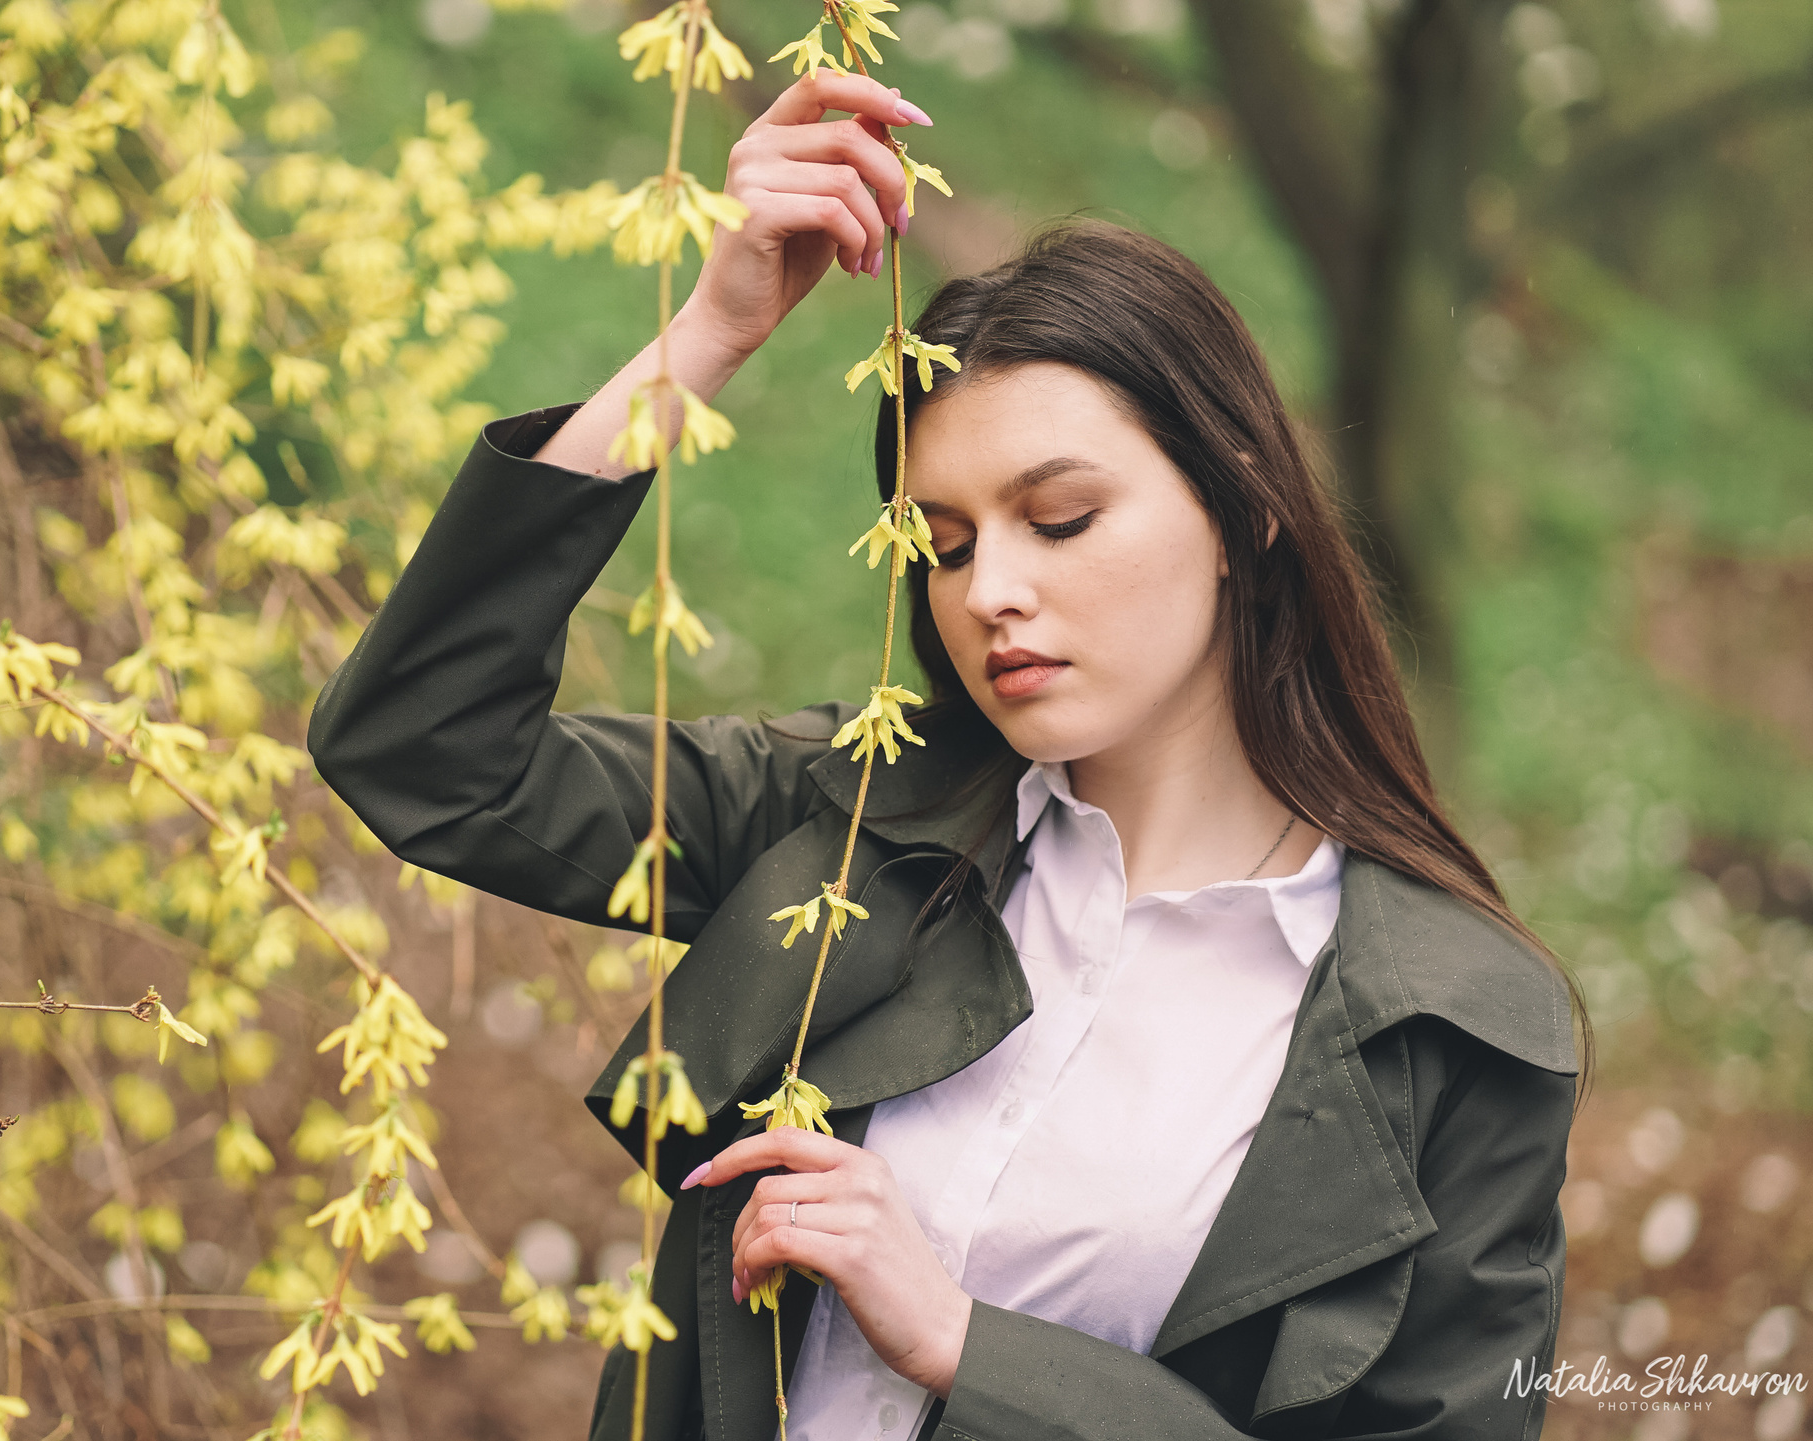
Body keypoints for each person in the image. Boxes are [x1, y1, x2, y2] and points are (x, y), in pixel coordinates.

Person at [308, 70, 1590, 1441]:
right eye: (949, 546)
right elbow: (422, 749)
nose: (989, 595)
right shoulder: (844, 822)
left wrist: (967, 1345)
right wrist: (707, 335)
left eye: (1063, 517)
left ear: (1242, 510)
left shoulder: (1449, 1029)